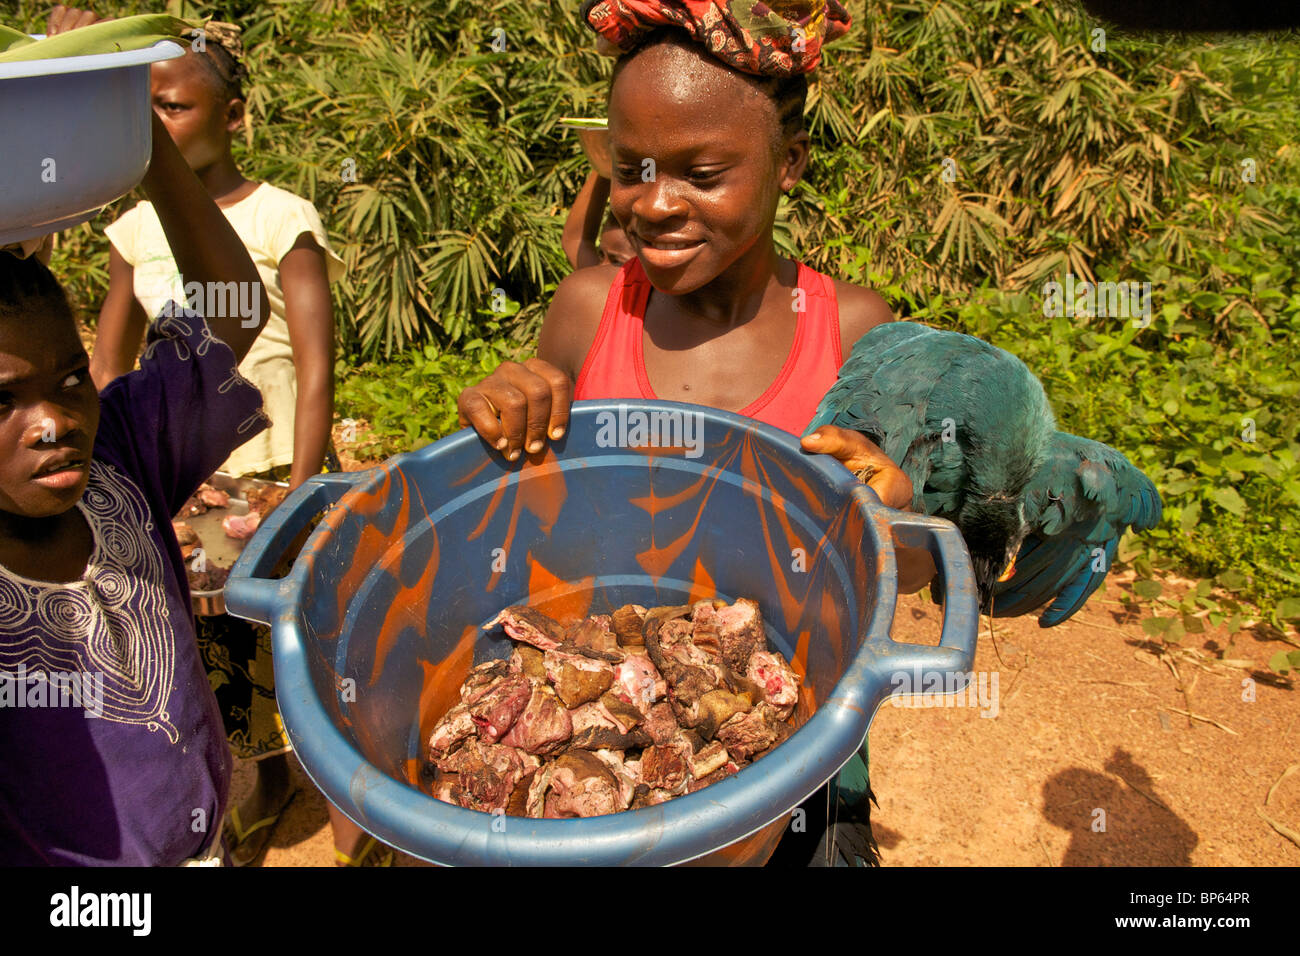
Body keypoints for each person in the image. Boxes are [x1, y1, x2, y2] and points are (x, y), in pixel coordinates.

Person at [457, 1, 929, 865]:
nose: (654, 204)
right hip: (611, 735)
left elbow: (906, 563)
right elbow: (531, 513)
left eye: (701, 173)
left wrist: (892, 506)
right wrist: (507, 417)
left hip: (790, 749)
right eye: (633, 168)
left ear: (789, 165)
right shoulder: (591, 308)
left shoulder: (851, 331)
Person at [80, 17, 378, 866]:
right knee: (215, 633)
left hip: (269, 462)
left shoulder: (285, 217)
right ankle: (269, 778)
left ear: (234, 113)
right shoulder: (134, 230)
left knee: (290, 624)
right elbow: (109, 358)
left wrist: (304, 481)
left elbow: (314, 364)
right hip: (179, 473)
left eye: (175, 106)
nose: (163, 124)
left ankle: (331, 778)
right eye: (149, 111)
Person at [0, 101, 271, 864]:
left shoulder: (120, 456)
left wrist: (140, 140)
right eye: (3, 400)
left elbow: (235, 310)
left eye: (70, 379)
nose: (53, 422)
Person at [562, 171, 636, 269]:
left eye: (616, 262)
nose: (600, 266)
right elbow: (576, 241)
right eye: (601, 255)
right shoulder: (599, 278)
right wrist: (604, 167)